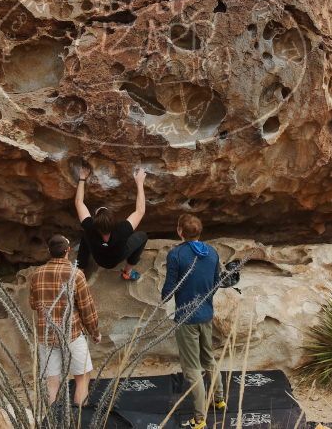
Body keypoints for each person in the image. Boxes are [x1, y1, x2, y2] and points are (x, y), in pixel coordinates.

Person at [161, 214, 225, 429]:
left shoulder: (176, 254)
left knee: (191, 367)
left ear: (180, 231)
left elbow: (170, 289)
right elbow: (217, 283)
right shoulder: (213, 252)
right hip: (206, 313)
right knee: (208, 358)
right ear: (200, 231)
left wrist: (165, 296)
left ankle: (199, 418)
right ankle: (219, 399)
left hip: (186, 317)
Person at [29, 234, 101, 405]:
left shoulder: (36, 275)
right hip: (72, 334)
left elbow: (33, 304)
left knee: (52, 382)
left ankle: (52, 422)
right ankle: (78, 421)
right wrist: (94, 332)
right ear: (68, 251)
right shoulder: (76, 275)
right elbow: (86, 308)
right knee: (82, 378)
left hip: (46, 335)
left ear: (49, 251)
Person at [74, 166, 147, 281]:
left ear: (94, 220)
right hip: (115, 260)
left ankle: (80, 269)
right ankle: (127, 272)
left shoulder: (89, 227)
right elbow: (140, 211)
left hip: (98, 257)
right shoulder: (122, 229)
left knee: (85, 236)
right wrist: (139, 183)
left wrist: (82, 177)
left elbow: (79, 202)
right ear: (115, 222)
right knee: (143, 236)